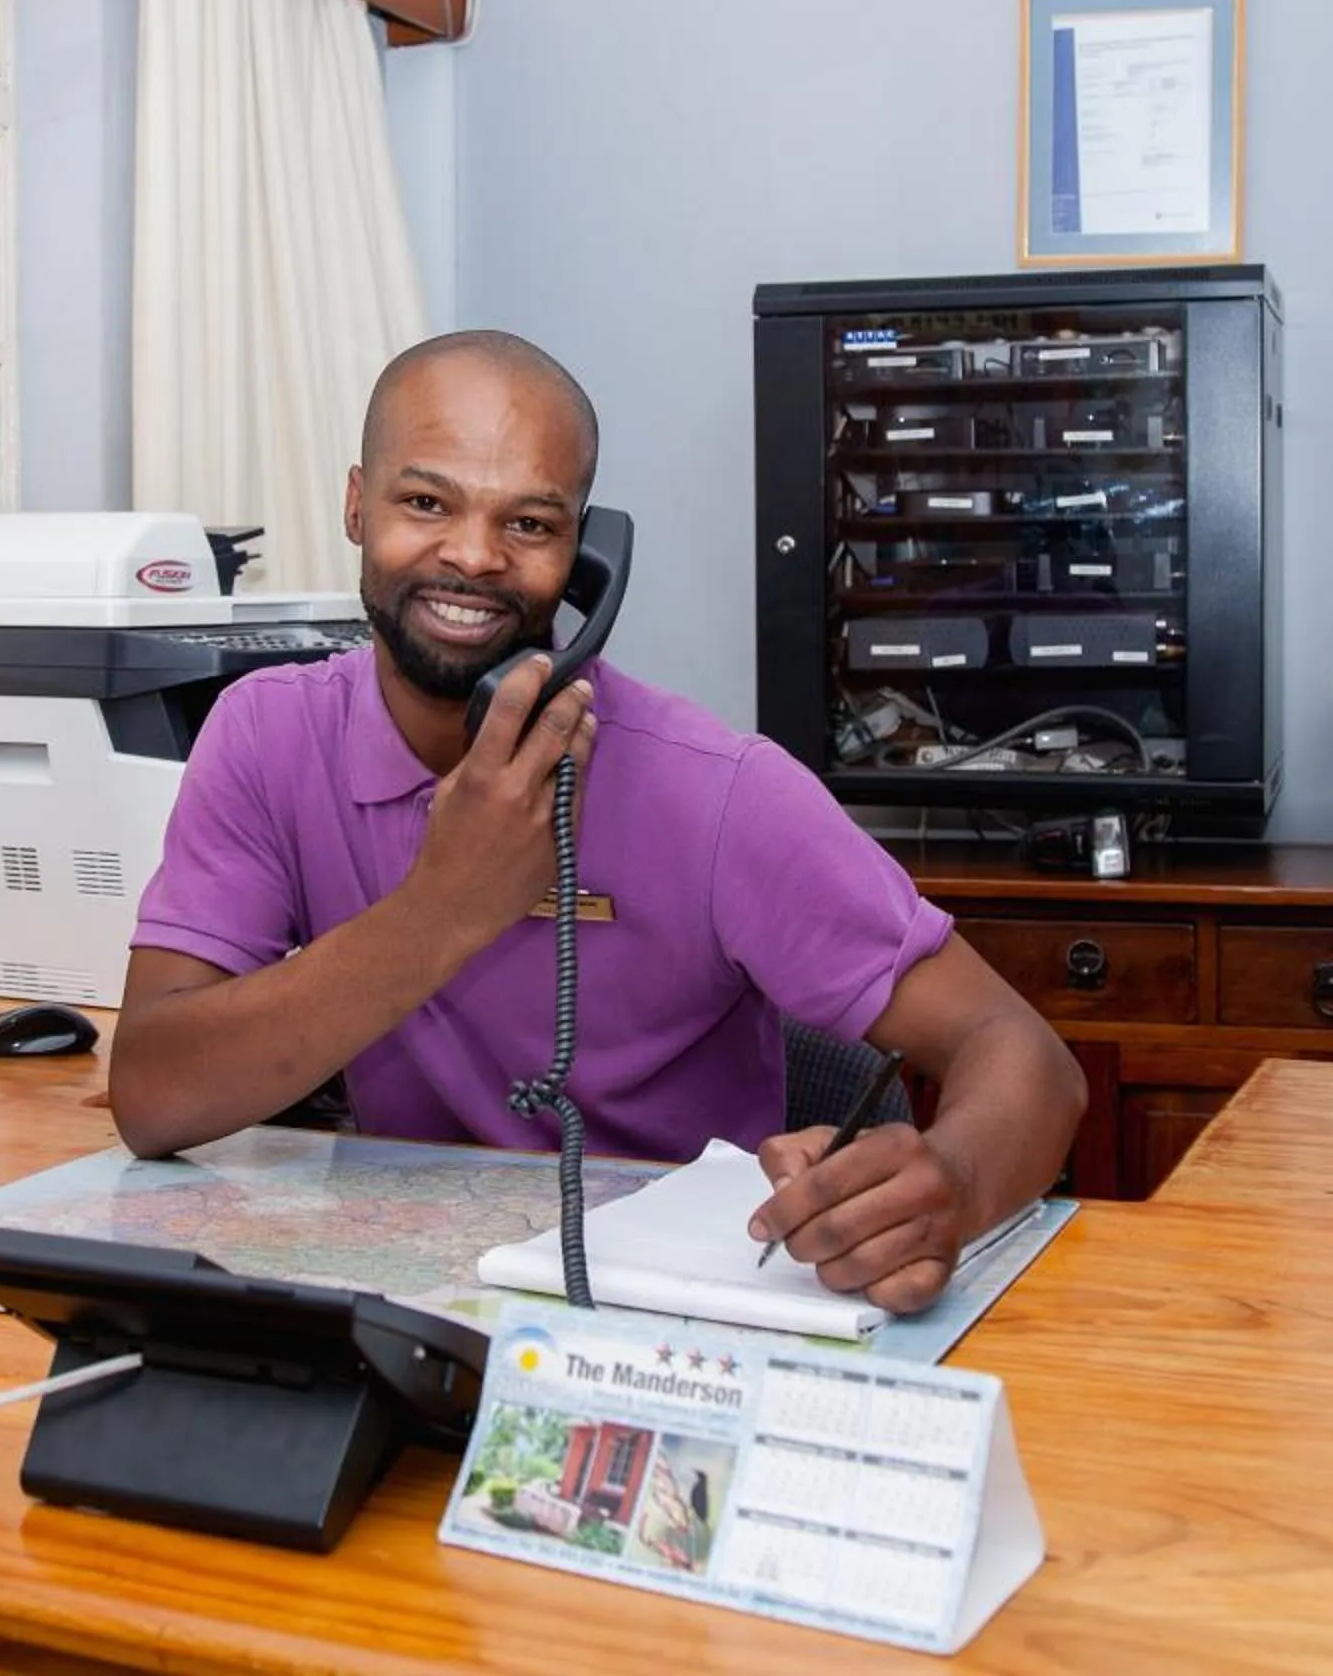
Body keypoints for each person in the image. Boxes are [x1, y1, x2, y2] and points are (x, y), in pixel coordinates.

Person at [111, 330, 1085, 1314]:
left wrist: (949, 1186)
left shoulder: (718, 789)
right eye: (425, 501)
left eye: (530, 522)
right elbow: (152, 1094)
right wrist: (444, 907)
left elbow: (1024, 1053)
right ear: (357, 503)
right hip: (395, 1292)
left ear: (585, 554)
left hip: (671, 1312)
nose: (474, 554)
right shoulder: (267, 735)